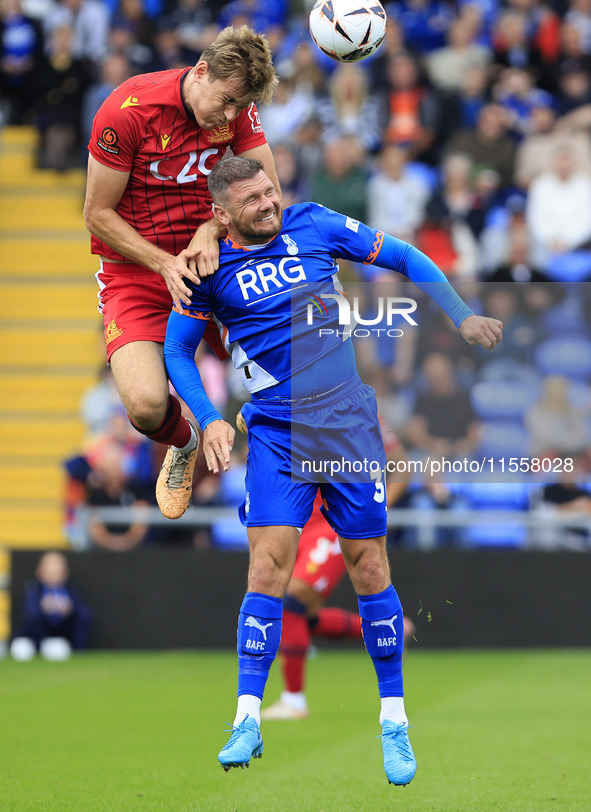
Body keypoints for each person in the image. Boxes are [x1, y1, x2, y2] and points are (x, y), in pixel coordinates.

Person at [163, 156, 503, 784]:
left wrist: (460, 314)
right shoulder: (207, 269)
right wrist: (210, 417)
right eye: (252, 200)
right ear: (221, 213)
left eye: (270, 191)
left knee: (368, 565)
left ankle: (394, 724)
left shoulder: (316, 223)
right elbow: (177, 350)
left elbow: (405, 256)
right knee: (268, 567)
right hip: (275, 431)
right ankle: (246, 719)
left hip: (348, 424)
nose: (268, 203)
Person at [83, 25, 279, 522]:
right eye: (228, 101)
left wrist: (210, 233)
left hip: (214, 262)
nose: (232, 117)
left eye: (242, 108)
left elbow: (269, 200)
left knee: (292, 366)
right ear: (201, 71)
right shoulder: (126, 110)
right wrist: (164, 262)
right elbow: (97, 214)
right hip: (135, 270)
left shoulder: (238, 110)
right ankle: (185, 442)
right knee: (146, 405)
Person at [259, 422, 414, 721]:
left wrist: (378, 512)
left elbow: (402, 467)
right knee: (300, 617)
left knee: (291, 603)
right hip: (299, 520)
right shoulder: (293, 404)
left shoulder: (362, 411)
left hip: (333, 523)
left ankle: (294, 701)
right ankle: (392, 630)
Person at [11, 551, 92, 658]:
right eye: (50, 572)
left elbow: (82, 612)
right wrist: (43, 608)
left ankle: (78, 653)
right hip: (36, 638)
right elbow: (30, 615)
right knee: (22, 648)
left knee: (84, 616)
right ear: (40, 572)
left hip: (61, 637)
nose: (54, 576)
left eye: (58, 572)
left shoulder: (71, 590)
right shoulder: (33, 589)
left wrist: (69, 609)